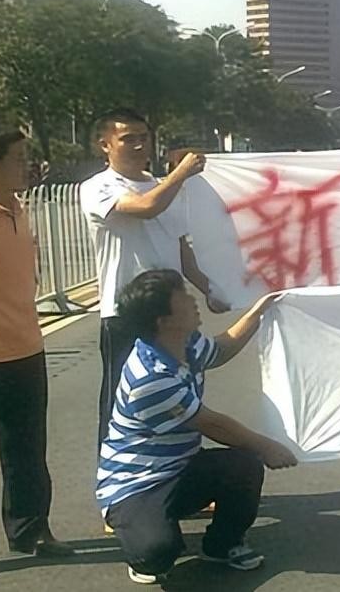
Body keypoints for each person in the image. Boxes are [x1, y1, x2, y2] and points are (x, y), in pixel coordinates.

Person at [97, 269, 298, 584]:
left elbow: (222, 348)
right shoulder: (149, 379)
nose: (193, 301)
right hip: (136, 485)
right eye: (183, 297)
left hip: (179, 467)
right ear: (164, 320)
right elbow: (213, 425)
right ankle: (140, 542)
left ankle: (222, 545)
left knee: (244, 466)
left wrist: (260, 309)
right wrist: (267, 446)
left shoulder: (184, 343)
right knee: (157, 552)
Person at [80, 108, 226, 448]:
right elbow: (146, 207)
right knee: (123, 400)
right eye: (127, 139)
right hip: (127, 313)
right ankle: (118, 474)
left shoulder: (163, 187)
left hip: (173, 314)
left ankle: (180, 468)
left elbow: (182, 249)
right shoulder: (97, 187)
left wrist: (211, 289)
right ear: (104, 144)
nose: (138, 145)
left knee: (181, 396)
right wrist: (181, 174)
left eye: (143, 137)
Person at [0, 125, 73, 558]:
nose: (28, 166)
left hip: (27, 351)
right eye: (18, 159)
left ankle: (30, 531)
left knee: (28, 455)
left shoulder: (18, 208)